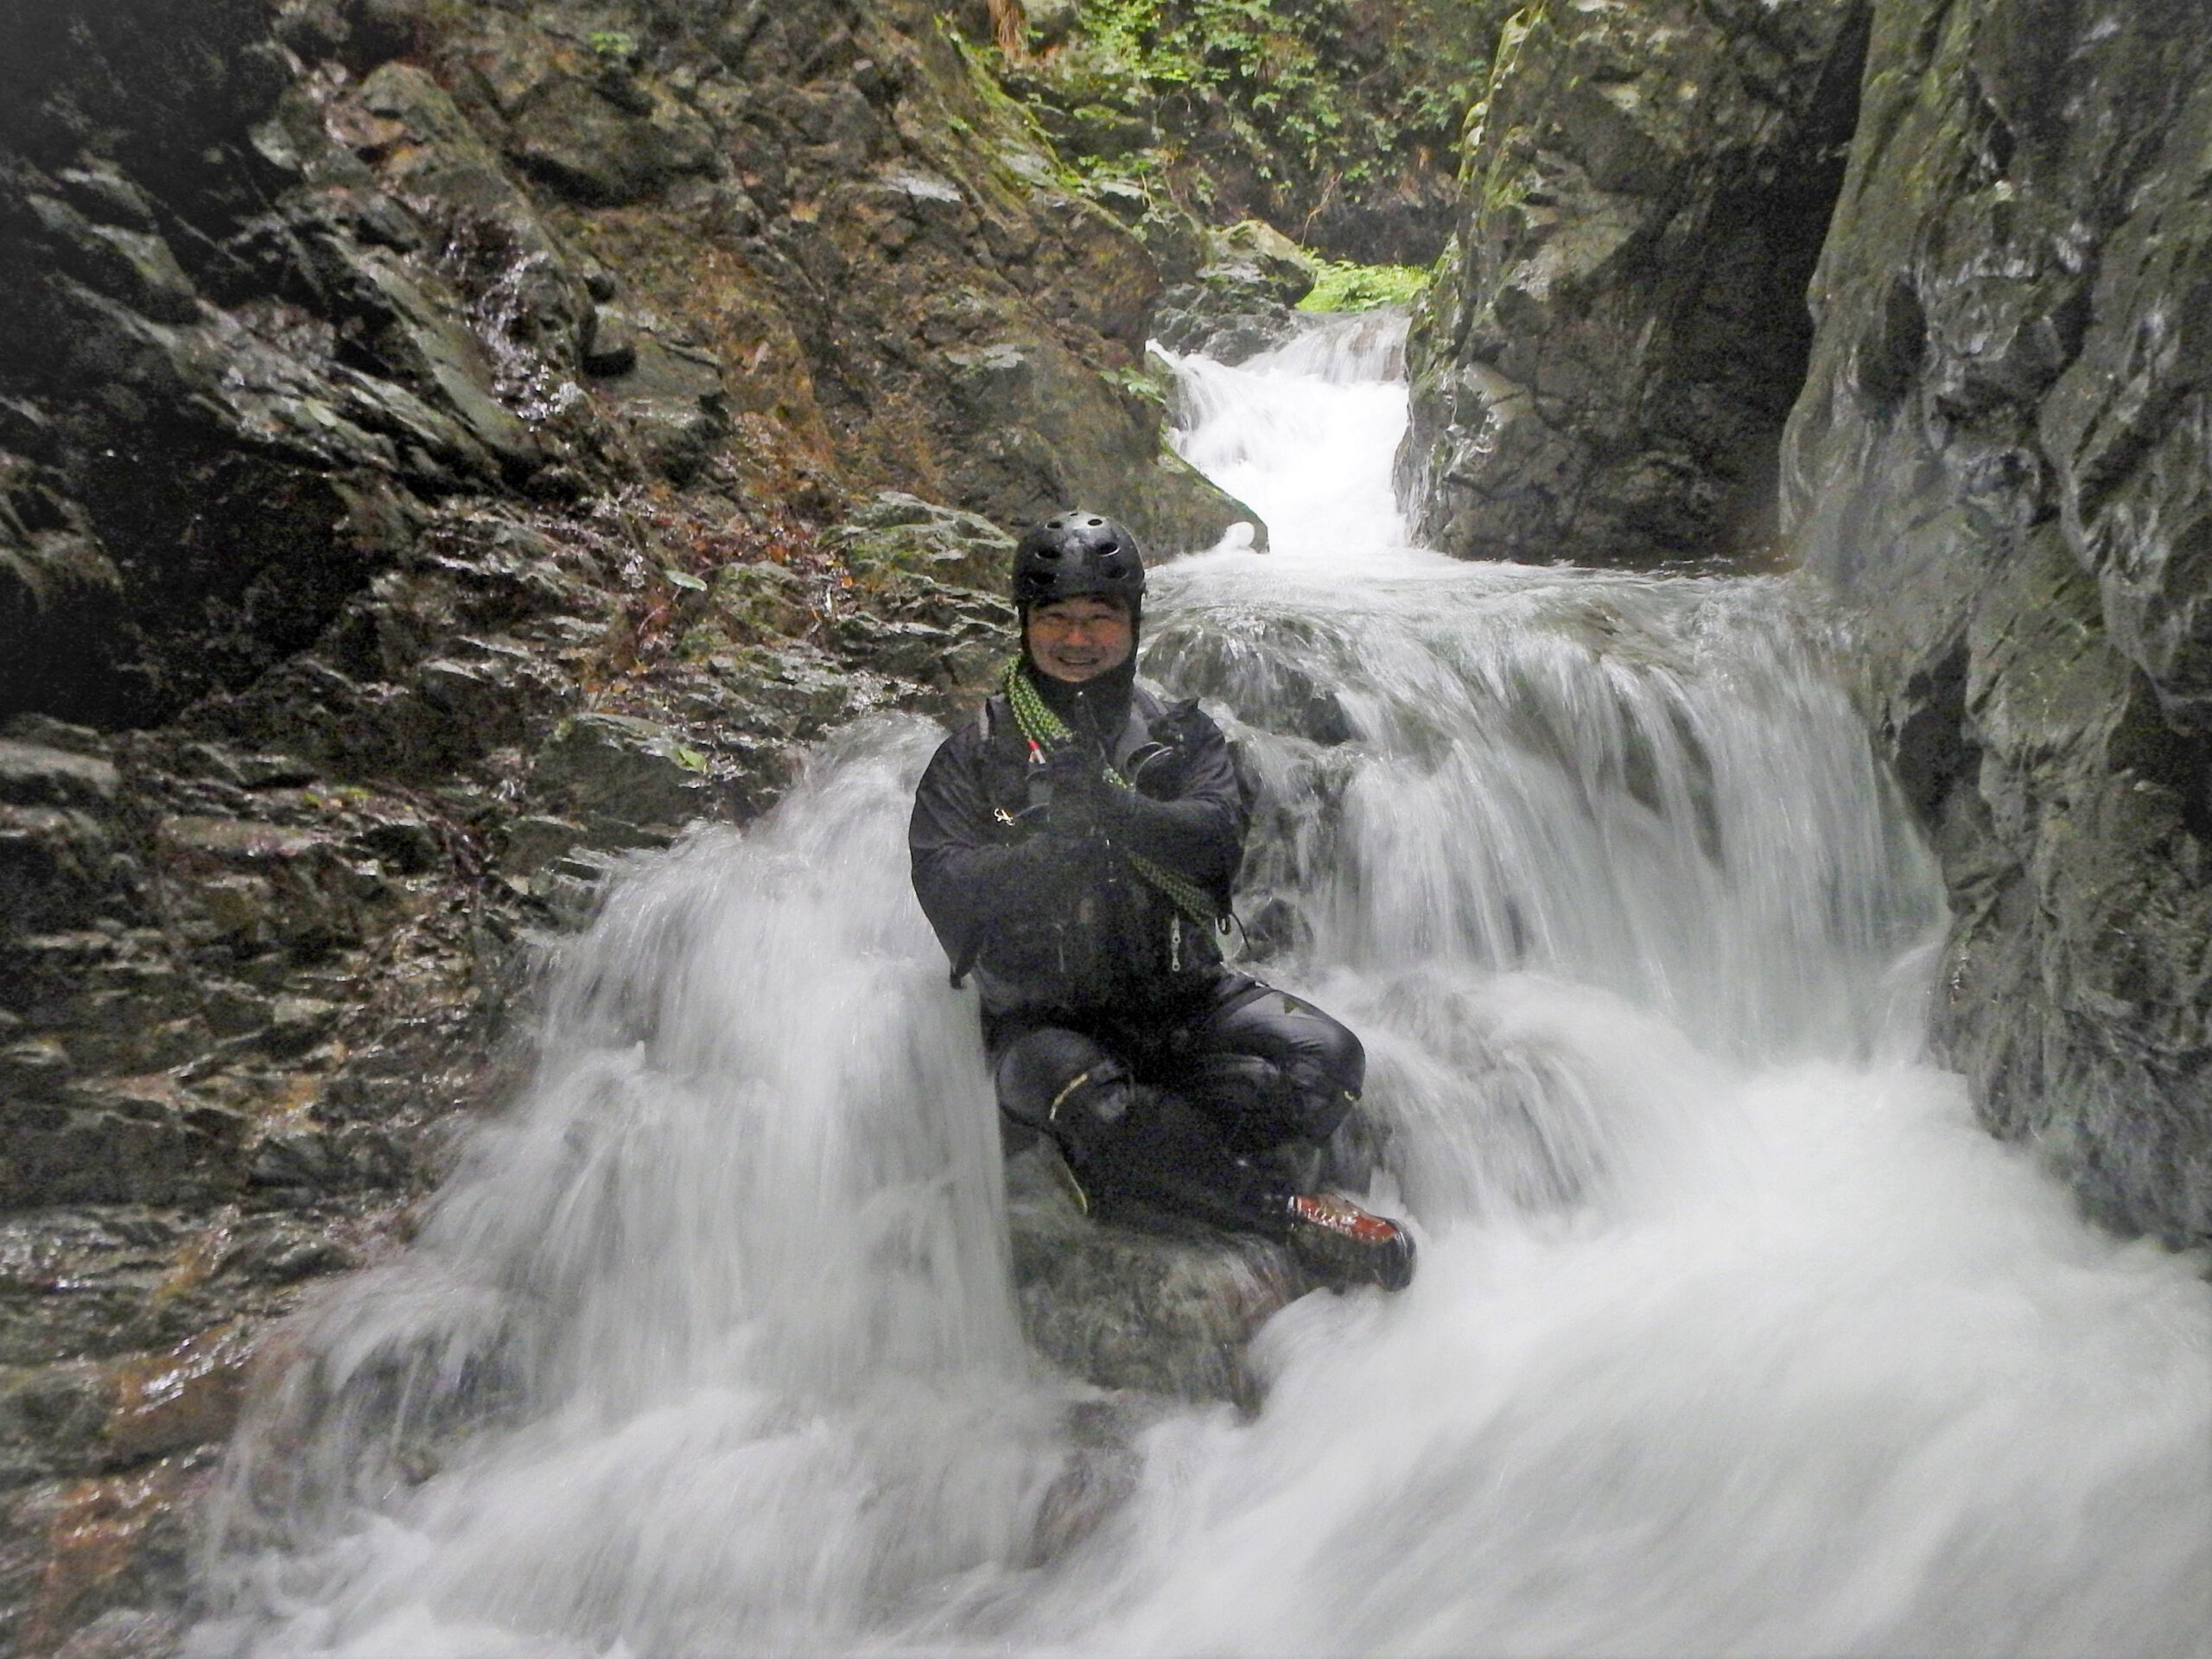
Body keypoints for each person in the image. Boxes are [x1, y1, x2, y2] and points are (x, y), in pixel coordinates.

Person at [907, 510, 1414, 1291]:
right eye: (1057, 619)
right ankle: (1280, 1211)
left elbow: (1217, 843)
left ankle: (1145, 1162)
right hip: (1044, 1025)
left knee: (1331, 1062)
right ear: (1026, 624)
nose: (1079, 640)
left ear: (1133, 623)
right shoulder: (973, 759)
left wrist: (1116, 814)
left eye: (1099, 619)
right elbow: (946, 890)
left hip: (1184, 998)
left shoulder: (1183, 738)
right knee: (1093, 1104)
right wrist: (1047, 857)